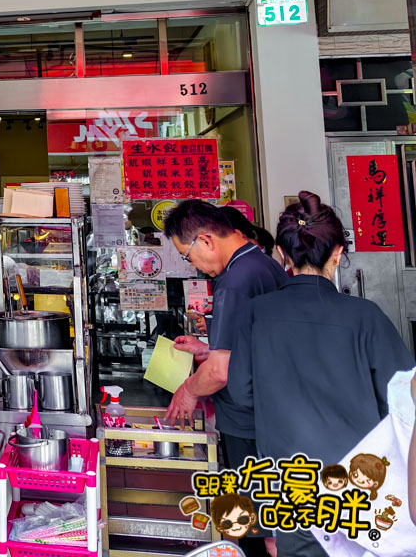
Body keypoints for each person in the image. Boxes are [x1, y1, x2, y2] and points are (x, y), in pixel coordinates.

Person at [227, 191, 414, 557]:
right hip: (361, 485)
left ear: (283, 254)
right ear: (338, 253)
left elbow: (241, 393)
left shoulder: (256, 313)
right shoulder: (366, 317)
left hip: (289, 481)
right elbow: (406, 399)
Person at [163, 200, 286, 557]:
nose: (194, 266)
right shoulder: (261, 264)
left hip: (250, 420)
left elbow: (220, 371)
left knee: (260, 528)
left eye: (187, 255)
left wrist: (188, 390)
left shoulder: (233, 281)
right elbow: (252, 345)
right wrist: (208, 349)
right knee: (271, 518)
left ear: (205, 240)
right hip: (272, 412)